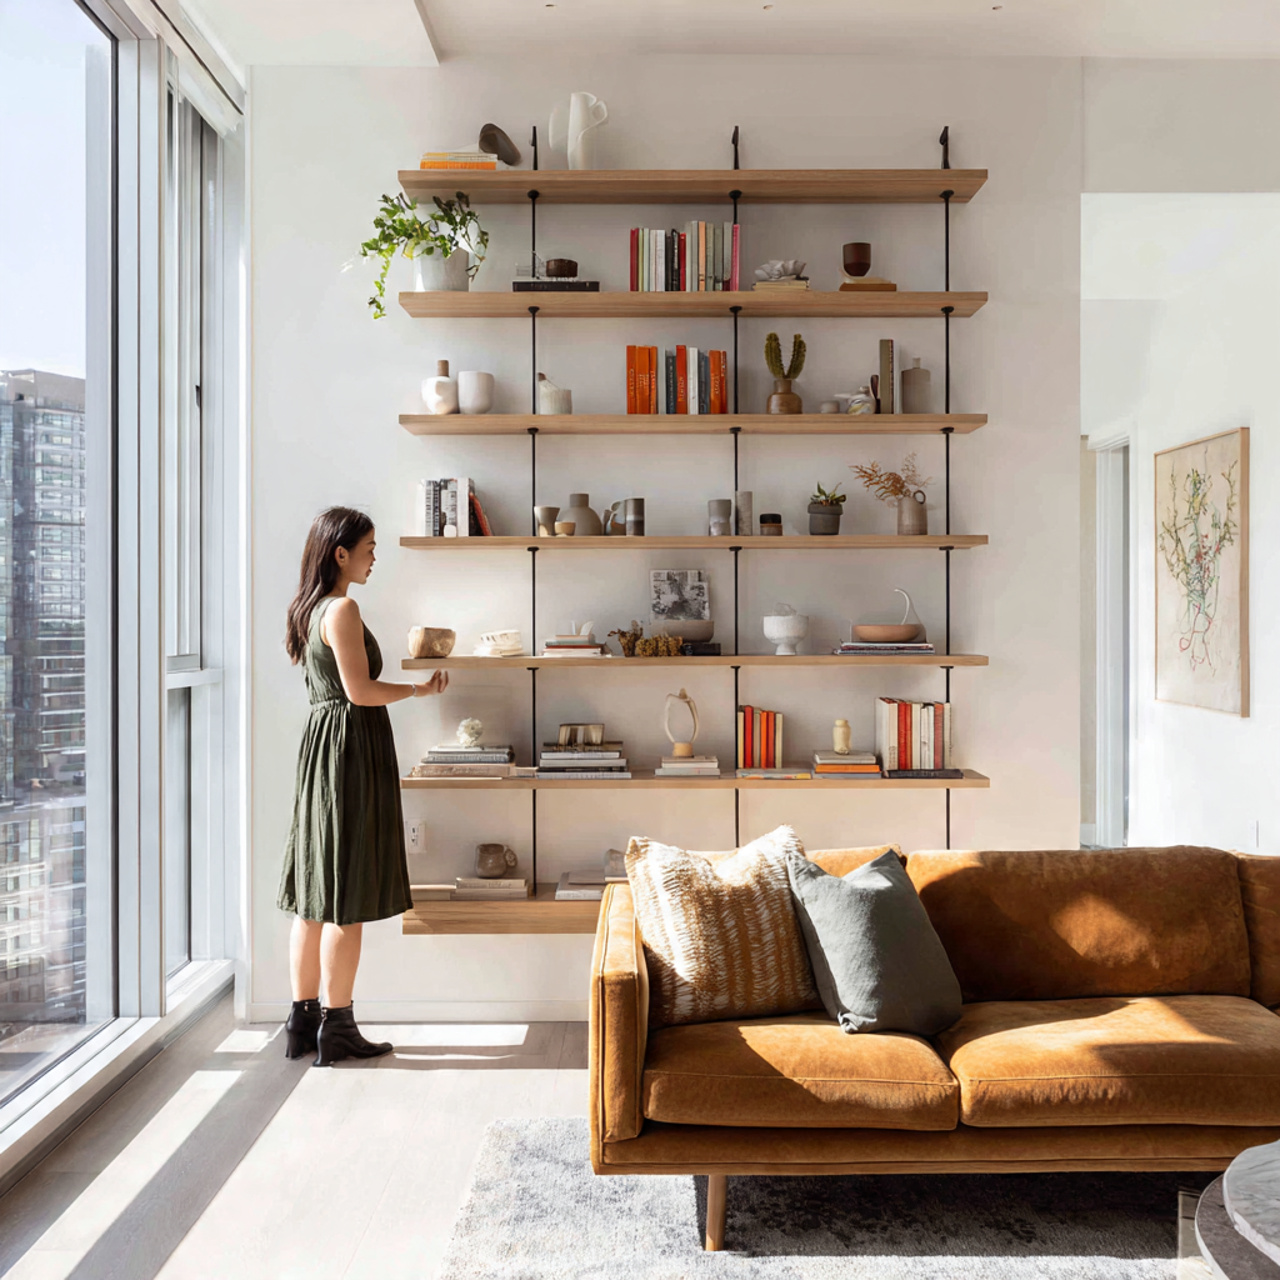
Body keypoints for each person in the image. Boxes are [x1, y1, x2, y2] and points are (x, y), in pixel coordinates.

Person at [278, 506, 448, 1066]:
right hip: (349, 751)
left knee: (312, 895)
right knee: (342, 897)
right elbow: (361, 692)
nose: (376, 556)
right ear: (340, 553)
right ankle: (339, 1025)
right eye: (369, 547)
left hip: (322, 750)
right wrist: (420, 691)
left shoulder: (309, 608)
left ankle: (302, 1020)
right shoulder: (344, 608)